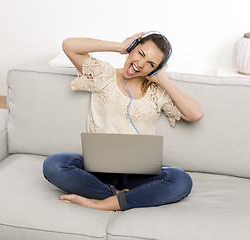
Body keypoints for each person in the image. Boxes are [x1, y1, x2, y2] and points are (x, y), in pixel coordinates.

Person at [43, 32, 204, 211]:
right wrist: (119, 47)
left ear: (156, 69)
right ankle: (125, 196)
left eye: (151, 64)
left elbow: (195, 114)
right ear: (132, 48)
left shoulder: (156, 91)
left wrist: (162, 79)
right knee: (54, 164)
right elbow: (69, 45)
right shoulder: (103, 75)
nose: (140, 64)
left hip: (138, 175)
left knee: (181, 180)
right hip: (96, 172)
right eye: (140, 54)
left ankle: (101, 202)